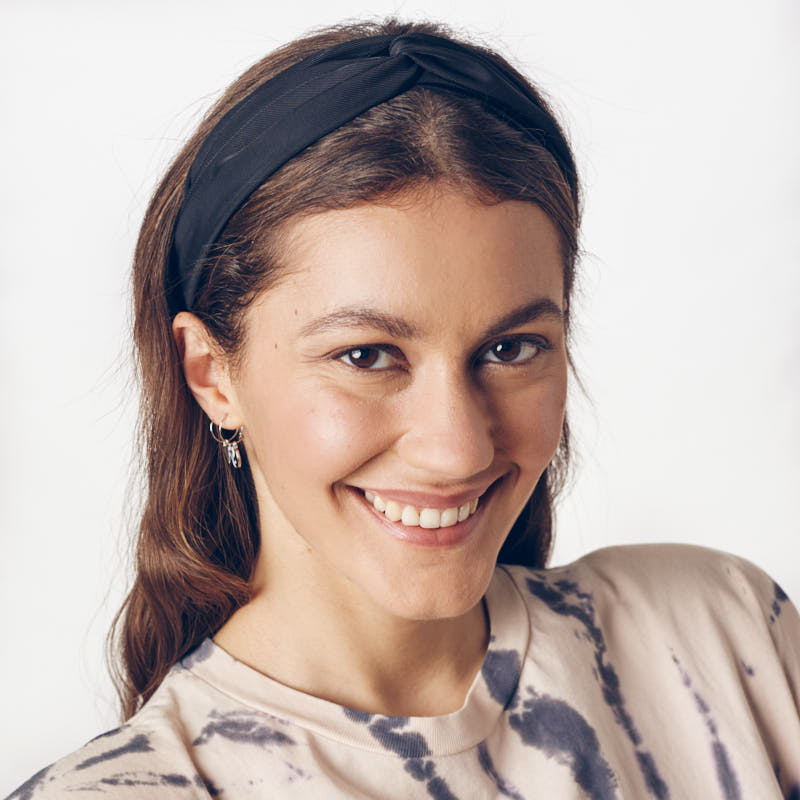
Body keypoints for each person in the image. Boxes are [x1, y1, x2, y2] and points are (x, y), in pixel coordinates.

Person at [8, 17, 800, 800]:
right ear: (213, 375)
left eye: (511, 348)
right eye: (366, 356)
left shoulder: (722, 641)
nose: (458, 449)